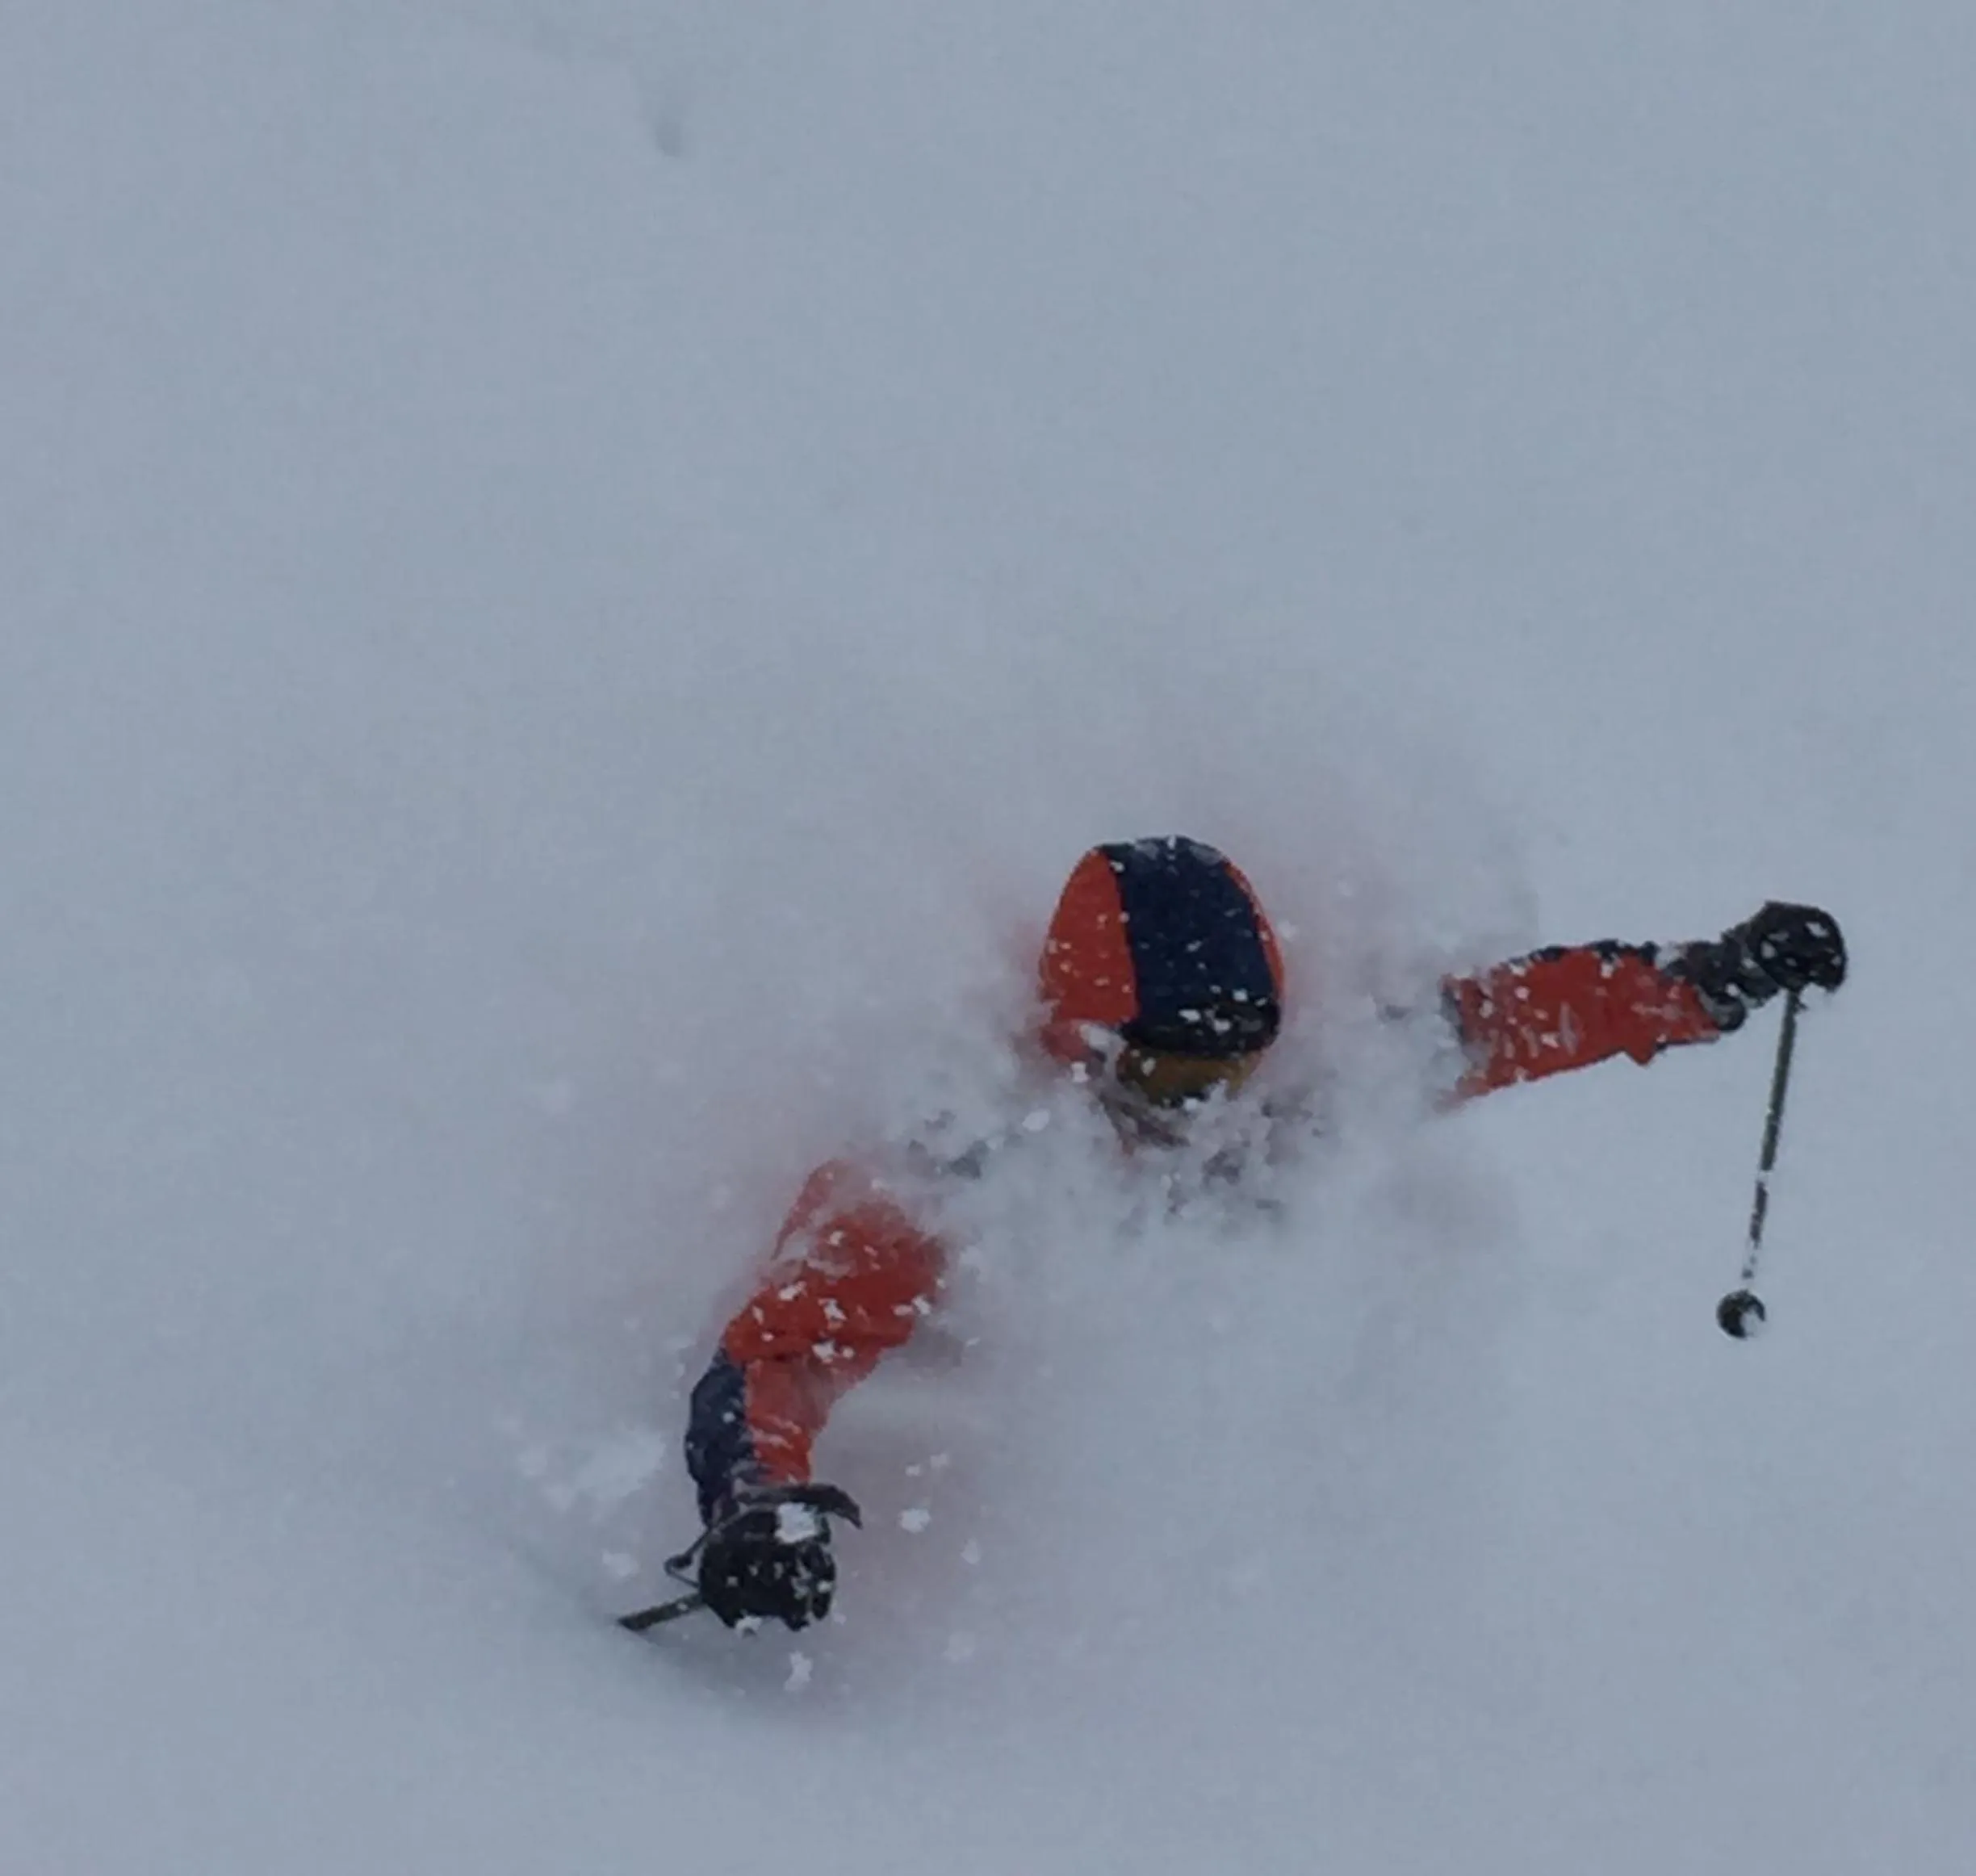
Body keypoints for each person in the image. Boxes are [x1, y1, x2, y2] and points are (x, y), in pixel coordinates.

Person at [676, 835, 1846, 1630]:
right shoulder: (961, 1158)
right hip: (980, 1420)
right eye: (1173, 1077)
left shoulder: (1304, 1090)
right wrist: (756, 1501)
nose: (1209, 1111)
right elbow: (780, 1351)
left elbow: (1511, 1019)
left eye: (1234, 1069)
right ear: (1086, 1041)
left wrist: (1708, 983)